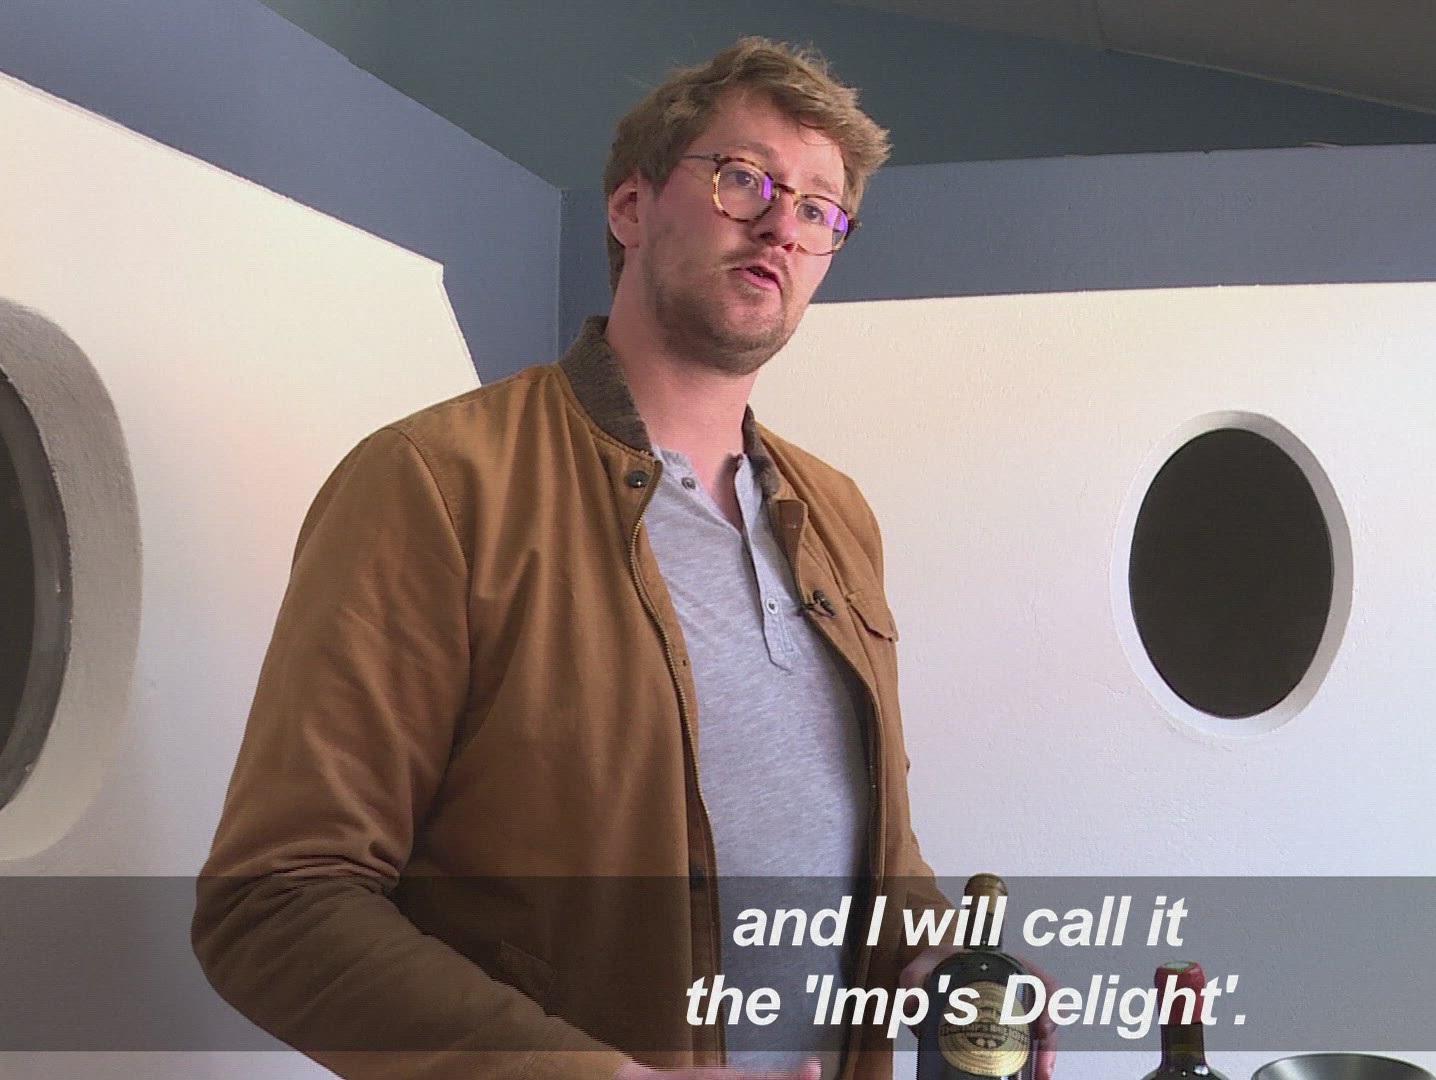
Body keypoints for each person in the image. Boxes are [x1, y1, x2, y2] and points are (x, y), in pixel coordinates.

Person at [193, 37, 996, 1080]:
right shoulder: (439, 484)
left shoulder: (837, 514)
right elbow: (277, 905)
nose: (779, 226)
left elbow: (866, 849)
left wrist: (945, 964)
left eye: (817, 209)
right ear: (629, 207)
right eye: (743, 178)